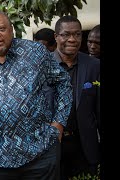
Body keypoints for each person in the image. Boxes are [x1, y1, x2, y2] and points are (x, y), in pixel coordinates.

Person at [0, 11, 73, 180]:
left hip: (40, 151)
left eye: (1, 29)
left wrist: (59, 123)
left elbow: (63, 82)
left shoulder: (36, 52)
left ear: (12, 29)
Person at [53, 15, 100, 179]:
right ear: (56, 37)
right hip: (51, 149)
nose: (72, 39)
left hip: (85, 147)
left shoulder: (94, 66)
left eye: (77, 34)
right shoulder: (42, 65)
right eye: (66, 34)